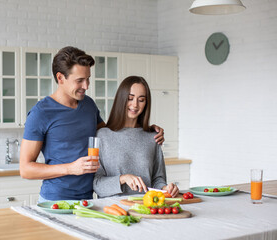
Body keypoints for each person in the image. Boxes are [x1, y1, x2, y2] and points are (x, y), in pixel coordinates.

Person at [20, 46, 165, 201]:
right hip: (56, 199)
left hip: (88, 199)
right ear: (61, 78)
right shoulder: (40, 113)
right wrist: (71, 168)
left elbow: (111, 132)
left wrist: (146, 130)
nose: (86, 86)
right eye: (80, 81)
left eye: (88, 78)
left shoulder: (88, 105)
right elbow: (26, 169)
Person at [93, 76, 179, 198]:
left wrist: (166, 188)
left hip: (146, 209)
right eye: (130, 98)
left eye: (141, 100)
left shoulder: (153, 137)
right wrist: (123, 178)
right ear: (121, 99)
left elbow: (158, 179)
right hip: (114, 211)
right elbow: (97, 185)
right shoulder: (102, 136)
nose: (135, 105)